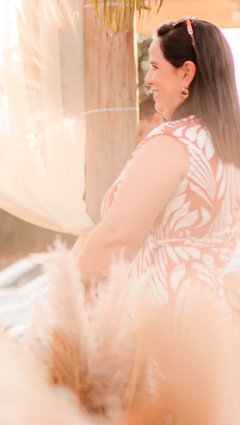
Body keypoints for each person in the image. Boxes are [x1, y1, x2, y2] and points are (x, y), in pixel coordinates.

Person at [77, 17, 240, 311]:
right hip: (218, 321)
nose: (148, 79)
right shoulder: (229, 147)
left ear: (186, 73)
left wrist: (67, 287)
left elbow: (117, 237)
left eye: (155, 67)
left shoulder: (171, 143)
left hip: (165, 319)